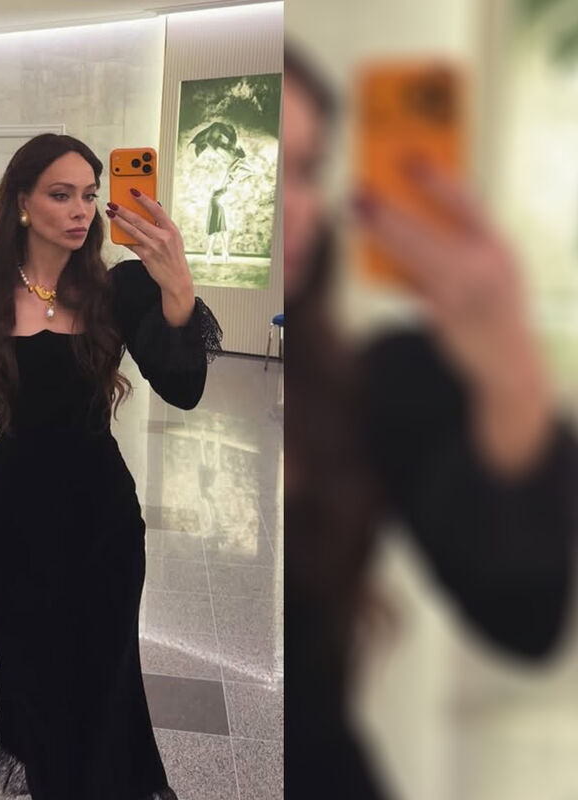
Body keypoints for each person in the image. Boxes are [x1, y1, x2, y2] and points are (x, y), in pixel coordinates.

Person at [284, 45, 578, 798]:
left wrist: (512, 374)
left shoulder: (375, 387)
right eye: (270, 169)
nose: (294, 204)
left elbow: (527, 618)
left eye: (307, 171)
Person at [0, 133, 222, 799]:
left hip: (104, 532)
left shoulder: (120, 291)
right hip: (13, 536)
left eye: (89, 194)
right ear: (22, 202)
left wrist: (178, 288)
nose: (81, 209)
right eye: (61, 194)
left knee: (107, 694)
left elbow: (185, 389)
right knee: (39, 700)